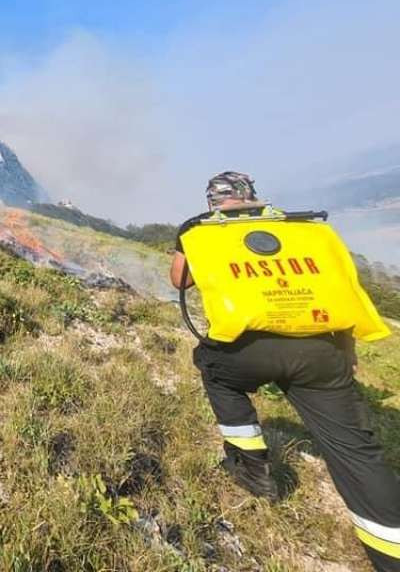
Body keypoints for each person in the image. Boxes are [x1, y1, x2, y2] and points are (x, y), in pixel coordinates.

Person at [171, 171, 400, 572]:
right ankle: (392, 553)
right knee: (355, 451)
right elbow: (336, 286)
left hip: (248, 349)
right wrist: (346, 348)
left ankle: (251, 467)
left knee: (212, 368)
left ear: (213, 200)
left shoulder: (201, 231)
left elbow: (180, 280)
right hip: (322, 349)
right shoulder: (303, 228)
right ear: (251, 195)